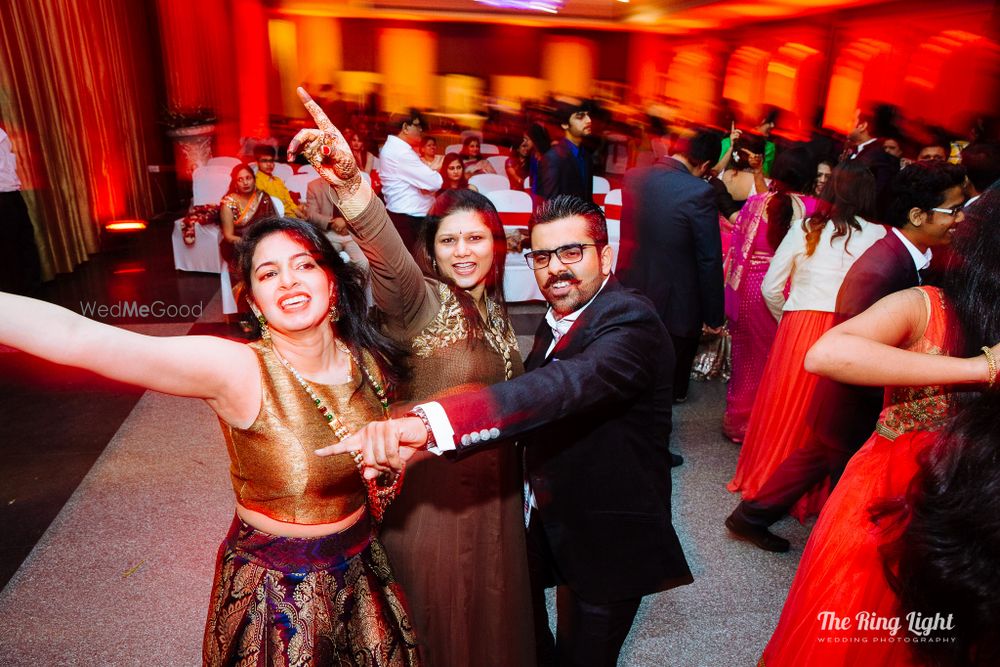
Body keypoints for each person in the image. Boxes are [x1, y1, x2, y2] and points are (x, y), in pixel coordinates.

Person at [0, 216, 419, 665]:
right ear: (254, 301)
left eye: (304, 264)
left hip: (362, 567)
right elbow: (79, 338)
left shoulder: (367, 360)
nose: (289, 281)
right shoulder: (237, 369)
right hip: (278, 597)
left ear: (332, 282)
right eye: (268, 273)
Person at [323, 195, 693, 667]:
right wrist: (355, 193)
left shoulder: (628, 319)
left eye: (571, 252)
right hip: (470, 504)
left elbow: (561, 386)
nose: (556, 268)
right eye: (542, 257)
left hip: (599, 533)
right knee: (458, 620)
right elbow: (392, 266)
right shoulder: (457, 304)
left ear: (607, 256)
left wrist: (433, 421)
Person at [289, 88, 534, 667]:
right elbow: (385, 255)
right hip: (433, 504)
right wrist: (352, 185)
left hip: (492, 499)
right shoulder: (420, 302)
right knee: (434, 620)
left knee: (491, 615)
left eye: (476, 237)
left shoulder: (497, 310)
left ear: (497, 246)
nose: (463, 251)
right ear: (433, 249)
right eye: (449, 240)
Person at [758, 183, 1000, 666]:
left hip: (974, 502)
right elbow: (829, 353)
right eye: (947, 210)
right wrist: (981, 369)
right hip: (892, 498)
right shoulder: (928, 302)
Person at [726, 160, 967, 552]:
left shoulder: (911, 256)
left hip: (852, 401)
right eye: (953, 210)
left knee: (815, 459)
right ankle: (835, 556)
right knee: (844, 482)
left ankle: (750, 518)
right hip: (856, 399)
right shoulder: (883, 266)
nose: (959, 218)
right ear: (918, 215)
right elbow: (856, 345)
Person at [727, 161, 886, 523]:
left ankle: (766, 481)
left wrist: (789, 319)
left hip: (800, 326)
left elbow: (770, 287)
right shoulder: (879, 235)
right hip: (849, 328)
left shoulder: (806, 227)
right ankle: (810, 497)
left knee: (784, 406)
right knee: (824, 415)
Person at [619, 129, 725, 405]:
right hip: (676, 301)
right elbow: (708, 258)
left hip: (633, 285)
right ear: (704, 165)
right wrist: (714, 316)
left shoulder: (634, 177)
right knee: (666, 384)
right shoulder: (699, 191)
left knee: (632, 360)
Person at [723, 148, 818, 443]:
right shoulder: (815, 207)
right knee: (777, 361)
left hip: (750, 288)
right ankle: (770, 426)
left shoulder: (755, 203)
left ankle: (739, 421)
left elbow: (738, 248)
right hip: (790, 288)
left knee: (746, 358)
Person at [378, 110, 443, 252]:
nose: (421, 130)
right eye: (417, 126)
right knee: (416, 268)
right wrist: (435, 171)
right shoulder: (401, 152)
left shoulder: (394, 148)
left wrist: (427, 179)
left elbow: (426, 183)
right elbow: (435, 182)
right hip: (409, 219)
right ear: (405, 127)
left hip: (404, 216)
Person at [0, 124, 41, 295]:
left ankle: (30, 296)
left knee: (24, 246)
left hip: (11, 196)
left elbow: (9, 168)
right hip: (3, 199)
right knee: (10, 254)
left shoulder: (1, 135)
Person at [304, 176, 368, 269]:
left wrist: (346, 223)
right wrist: (332, 222)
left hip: (352, 233)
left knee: (363, 262)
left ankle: (358, 284)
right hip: (328, 234)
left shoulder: (353, 183)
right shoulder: (314, 185)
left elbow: (362, 210)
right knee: (325, 265)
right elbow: (311, 214)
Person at [218, 163, 277, 261]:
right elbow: (228, 236)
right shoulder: (228, 203)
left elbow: (273, 225)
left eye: (248, 178)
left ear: (254, 180)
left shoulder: (263, 198)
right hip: (238, 246)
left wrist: (263, 241)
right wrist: (250, 243)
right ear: (235, 183)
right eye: (240, 180)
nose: (245, 183)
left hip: (263, 242)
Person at [539, 100, 594, 201]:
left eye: (587, 115)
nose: (588, 120)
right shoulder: (553, 158)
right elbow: (551, 203)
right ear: (565, 124)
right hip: (564, 216)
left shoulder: (586, 156)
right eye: (580, 116)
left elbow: (587, 199)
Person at [253, 145, 305, 218]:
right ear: (257, 163)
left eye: (271, 161)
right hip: (276, 219)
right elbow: (265, 209)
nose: (269, 164)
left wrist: (302, 216)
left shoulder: (278, 180)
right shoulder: (257, 182)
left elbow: (289, 202)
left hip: (291, 217)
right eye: (264, 161)